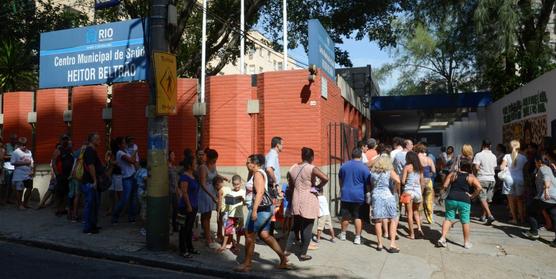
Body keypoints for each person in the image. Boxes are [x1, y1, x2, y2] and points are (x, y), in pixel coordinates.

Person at [234, 154, 289, 272]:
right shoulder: (257, 173)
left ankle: (247, 264)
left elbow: (259, 192)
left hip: (259, 210)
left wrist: (254, 210)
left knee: (249, 236)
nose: (246, 164)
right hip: (266, 209)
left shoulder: (258, 173)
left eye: (248, 162)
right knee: (265, 235)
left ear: (255, 163)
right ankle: (283, 259)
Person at [285, 147, 329, 260]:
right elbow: (325, 178)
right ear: (312, 157)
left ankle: (286, 250)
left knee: (295, 226)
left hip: (296, 197)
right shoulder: (312, 168)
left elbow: (290, 186)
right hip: (308, 198)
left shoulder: (293, 168)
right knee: (307, 227)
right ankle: (303, 253)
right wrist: (318, 187)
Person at [437, 158, 482, 249]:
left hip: (451, 198)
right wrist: (472, 196)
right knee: (465, 221)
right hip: (464, 200)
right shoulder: (471, 177)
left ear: (460, 165)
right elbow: (479, 188)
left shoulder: (453, 174)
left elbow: (445, 186)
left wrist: (441, 196)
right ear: (469, 167)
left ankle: (442, 238)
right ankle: (466, 243)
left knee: (448, 218)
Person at [522, 153, 556, 247]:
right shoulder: (550, 168)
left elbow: (547, 178)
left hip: (546, 197)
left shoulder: (543, 168)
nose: (535, 164)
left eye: (535, 162)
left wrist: (546, 190)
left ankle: (534, 232)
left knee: (530, 211)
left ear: (539, 162)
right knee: (554, 216)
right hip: (554, 197)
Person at [338, 148, 370, 245]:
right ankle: (357, 237)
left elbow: (340, 179)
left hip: (346, 194)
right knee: (358, 217)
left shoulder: (344, 166)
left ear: (351, 155)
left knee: (345, 216)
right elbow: (368, 183)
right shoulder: (364, 168)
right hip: (358, 195)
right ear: (360, 156)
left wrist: (342, 188)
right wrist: (368, 193)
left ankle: (343, 234)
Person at [370, 154, 401, 253]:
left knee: (378, 220)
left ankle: (379, 244)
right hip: (387, 195)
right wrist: (395, 188)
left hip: (376, 196)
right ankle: (392, 244)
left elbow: (371, 184)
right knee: (393, 218)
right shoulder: (389, 171)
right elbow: (398, 180)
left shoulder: (372, 172)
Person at [178, 150, 201, 258]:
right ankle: (183, 250)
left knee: (190, 228)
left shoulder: (194, 176)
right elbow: (184, 192)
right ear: (189, 165)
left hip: (194, 206)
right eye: (195, 163)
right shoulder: (184, 177)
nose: (196, 165)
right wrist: (188, 206)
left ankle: (190, 247)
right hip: (185, 207)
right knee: (183, 228)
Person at [500, 140, 527, 224]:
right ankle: (522, 219)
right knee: (520, 200)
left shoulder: (507, 156)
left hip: (509, 179)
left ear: (510, 147)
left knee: (511, 201)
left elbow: (502, 167)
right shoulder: (523, 157)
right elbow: (526, 170)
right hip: (520, 179)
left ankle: (515, 219)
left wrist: (506, 168)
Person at [81, 133, 104, 234]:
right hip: (89, 182)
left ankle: (93, 225)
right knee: (90, 205)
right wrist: (94, 180)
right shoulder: (90, 150)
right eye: (97, 139)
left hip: (93, 182)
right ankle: (87, 228)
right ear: (92, 140)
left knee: (94, 205)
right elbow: (91, 166)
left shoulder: (93, 150)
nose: (100, 140)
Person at [112, 137, 138, 224]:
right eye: (123, 143)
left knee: (133, 198)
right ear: (119, 145)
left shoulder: (126, 152)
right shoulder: (120, 153)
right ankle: (115, 216)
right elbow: (131, 161)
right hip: (127, 178)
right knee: (124, 199)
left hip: (133, 176)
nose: (125, 144)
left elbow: (135, 162)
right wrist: (135, 151)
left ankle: (132, 217)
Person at [217, 175, 246, 253]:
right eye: (234, 184)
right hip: (230, 215)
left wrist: (243, 200)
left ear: (241, 183)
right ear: (232, 184)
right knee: (227, 230)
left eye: (238, 184)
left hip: (239, 215)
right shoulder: (230, 192)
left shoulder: (243, 192)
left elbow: (246, 203)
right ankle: (223, 245)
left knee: (238, 232)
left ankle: (237, 245)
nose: (236, 186)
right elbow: (226, 204)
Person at [197, 148, 219, 245]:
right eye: (214, 159)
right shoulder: (203, 167)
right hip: (205, 193)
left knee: (208, 216)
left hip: (212, 191)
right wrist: (211, 196)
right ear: (209, 158)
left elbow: (216, 175)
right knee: (205, 216)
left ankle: (207, 235)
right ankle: (208, 239)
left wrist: (222, 178)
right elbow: (202, 184)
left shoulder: (213, 165)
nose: (215, 161)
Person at [473, 140, 497, 225]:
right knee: (487, 199)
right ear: (490, 145)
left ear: (482, 145)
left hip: (482, 178)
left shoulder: (479, 155)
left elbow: (476, 167)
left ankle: (490, 215)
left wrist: (476, 176)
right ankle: (483, 216)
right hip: (492, 179)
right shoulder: (494, 156)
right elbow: (494, 168)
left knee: (482, 198)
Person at [401, 151, 424, 239]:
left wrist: (406, 179)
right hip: (418, 192)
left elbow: (403, 181)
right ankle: (419, 228)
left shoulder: (407, 167)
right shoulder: (420, 168)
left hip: (408, 192)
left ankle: (412, 234)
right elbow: (422, 182)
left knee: (409, 214)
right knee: (416, 212)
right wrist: (421, 192)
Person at [266, 136, 284, 237]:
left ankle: (269, 234)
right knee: (272, 211)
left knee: (271, 210)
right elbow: (269, 169)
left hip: (270, 186)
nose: (283, 147)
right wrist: (275, 182)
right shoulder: (272, 155)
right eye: (282, 144)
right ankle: (269, 235)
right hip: (271, 187)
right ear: (277, 145)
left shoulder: (270, 154)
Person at [415, 143, 436, 224]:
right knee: (428, 200)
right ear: (423, 150)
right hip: (428, 181)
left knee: (419, 200)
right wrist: (429, 174)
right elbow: (434, 171)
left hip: (418, 182)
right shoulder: (429, 159)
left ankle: (419, 218)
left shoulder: (415, 159)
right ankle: (430, 218)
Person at [11, 137, 34, 210]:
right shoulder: (16, 152)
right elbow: (12, 162)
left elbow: (32, 162)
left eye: (25, 145)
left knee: (29, 188)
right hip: (19, 174)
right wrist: (24, 162)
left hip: (28, 173)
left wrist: (32, 170)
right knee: (20, 190)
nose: (24, 146)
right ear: (19, 144)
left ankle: (25, 203)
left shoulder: (29, 152)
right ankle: (19, 204)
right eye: (22, 145)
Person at [54, 135, 74, 217]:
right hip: (61, 175)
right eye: (64, 139)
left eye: (67, 139)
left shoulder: (70, 151)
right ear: (61, 140)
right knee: (60, 193)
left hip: (69, 176)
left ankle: (63, 209)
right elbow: (54, 163)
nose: (65, 141)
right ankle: (58, 209)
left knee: (67, 193)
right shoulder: (58, 151)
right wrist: (57, 174)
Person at [38, 144, 59, 209]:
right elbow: (52, 166)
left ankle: (48, 203)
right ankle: (42, 203)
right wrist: (53, 175)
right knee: (51, 189)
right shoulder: (55, 156)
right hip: (56, 176)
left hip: (57, 176)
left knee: (53, 190)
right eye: (58, 148)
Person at [1, 134, 18, 205]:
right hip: (7, 168)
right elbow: (2, 156)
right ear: (10, 139)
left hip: (15, 168)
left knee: (12, 185)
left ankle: (9, 199)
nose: (14, 140)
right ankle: (4, 200)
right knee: (6, 185)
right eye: (13, 139)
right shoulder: (6, 145)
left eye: (15, 139)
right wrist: (11, 157)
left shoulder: (17, 147)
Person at [135, 160, 148, 236]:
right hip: (143, 191)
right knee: (144, 209)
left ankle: (143, 227)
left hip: (139, 190)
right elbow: (145, 179)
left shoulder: (138, 171)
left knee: (142, 208)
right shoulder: (144, 171)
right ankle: (144, 228)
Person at [168, 150, 180, 232]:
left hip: (174, 191)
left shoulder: (173, 167)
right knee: (170, 210)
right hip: (169, 191)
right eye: (172, 155)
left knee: (176, 209)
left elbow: (175, 181)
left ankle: (175, 226)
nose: (174, 157)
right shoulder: (166, 168)